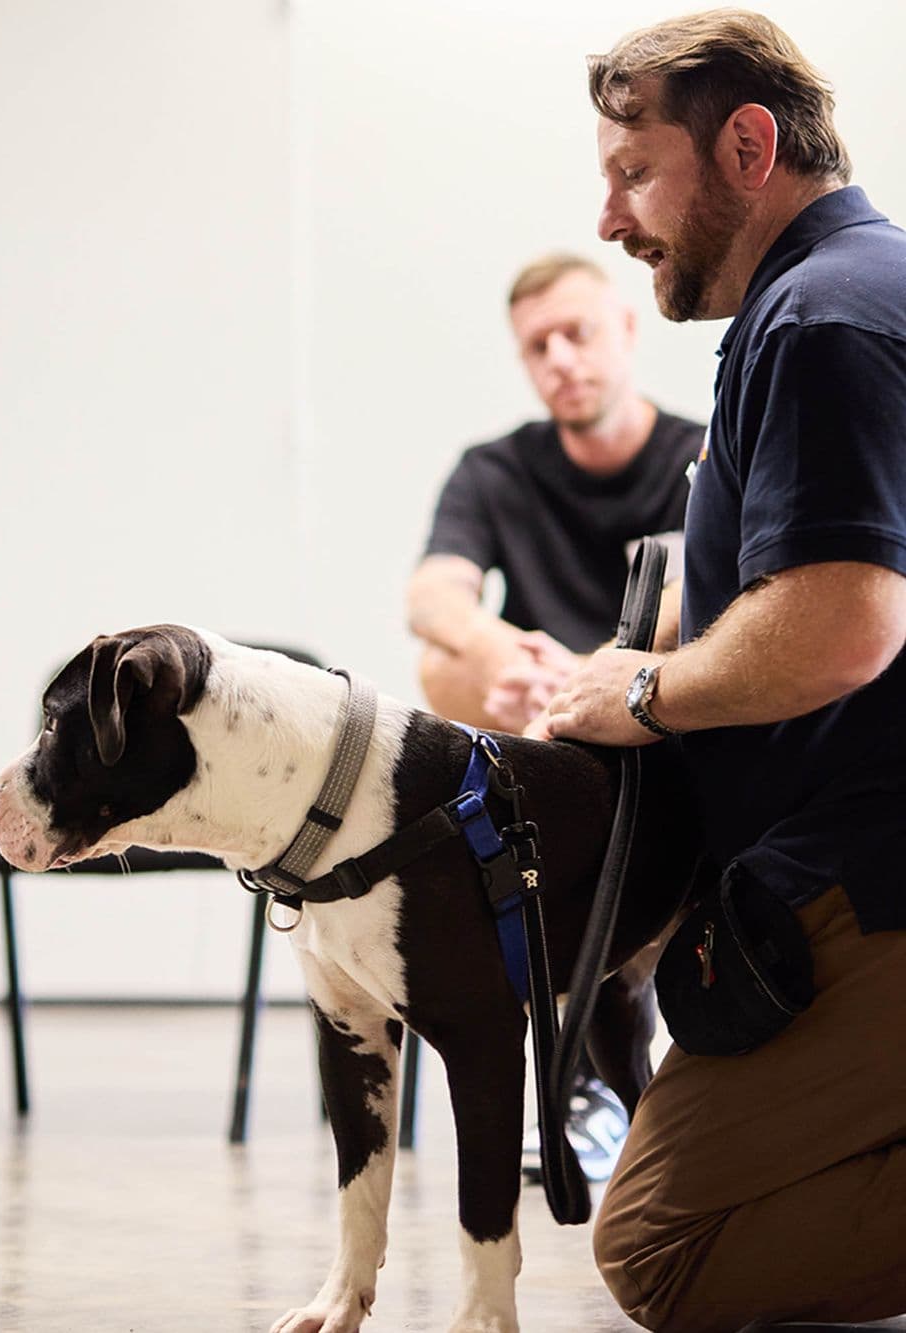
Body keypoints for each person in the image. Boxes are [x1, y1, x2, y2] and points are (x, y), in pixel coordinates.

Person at [539, 10, 906, 1331]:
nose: (611, 219)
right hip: (855, 849)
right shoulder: (858, 290)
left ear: (749, 147)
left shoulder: (820, 320)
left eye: (634, 173)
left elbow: (841, 626)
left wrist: (636, 694)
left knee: (660, 1247)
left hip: (873, 874)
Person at [407, 255, 705, 1182]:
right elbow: (433, 595)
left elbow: (703, 599)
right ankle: (575, 1060)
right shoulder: (497, 469)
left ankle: (614, 1051)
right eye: (538, 346)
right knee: (443, 663)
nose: (560, 359)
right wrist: (508, 656)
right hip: (542, 742)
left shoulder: (701, 454)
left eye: (577, 333)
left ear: (627, 328)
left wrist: (587, 678)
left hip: (656, 722)